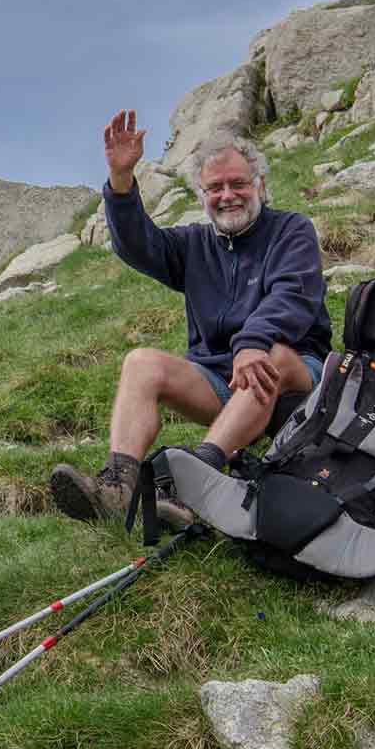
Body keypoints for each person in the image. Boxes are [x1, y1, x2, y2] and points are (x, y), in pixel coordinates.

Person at [49, 114, 332, 526]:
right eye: (215, 187)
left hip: (295, 379)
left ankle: (196, 477)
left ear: (261, 186)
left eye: (238, 183)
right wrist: (121, 178)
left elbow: (292, 297)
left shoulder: (292, 231)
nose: (227, 195)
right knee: (141, 362)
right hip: (222, 382)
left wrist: (250, 343)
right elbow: (137, 246)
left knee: (273, 358)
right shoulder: (194, 244)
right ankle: (118, 486)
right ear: (202, 194)